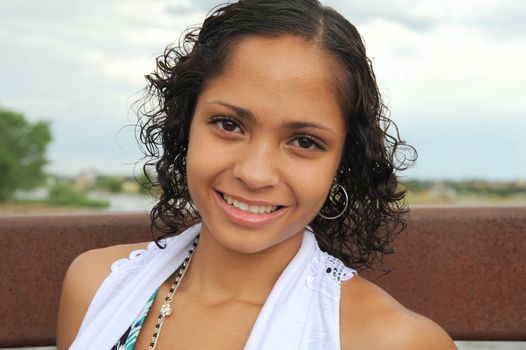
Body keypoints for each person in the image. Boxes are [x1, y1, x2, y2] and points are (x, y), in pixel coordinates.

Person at [57, 0, 456, 349]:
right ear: (185, 125)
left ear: (343, 161)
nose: (255, 173)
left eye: (304, 141)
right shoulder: (96, 287)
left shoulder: (391, 341)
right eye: (229, 124)